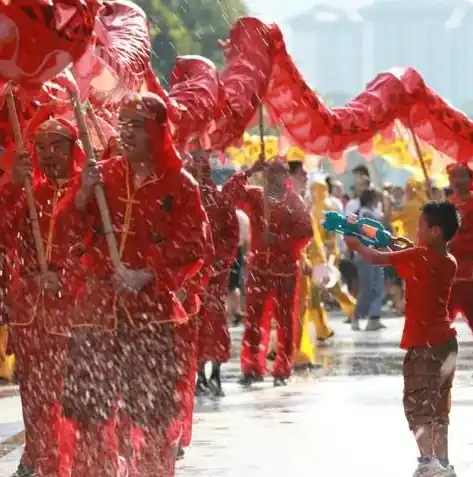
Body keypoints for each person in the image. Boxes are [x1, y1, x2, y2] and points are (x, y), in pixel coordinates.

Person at [59, 92, 208, 477]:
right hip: (95, 313)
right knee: (90, 415)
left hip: (151, 316)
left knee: (153, 416)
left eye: (137, 126)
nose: (127, 134)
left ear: (158, 132)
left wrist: (149, 274)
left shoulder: (181, 184)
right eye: (123, 125)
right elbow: (64, 234)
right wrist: (79, 197)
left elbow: (195, 246)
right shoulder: (101, 175)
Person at [344, 201, 460, 477]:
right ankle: (443, 463)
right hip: (446, 344)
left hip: (424, 345)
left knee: (417, 403)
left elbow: (375, 258)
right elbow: (412, 259)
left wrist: (354, 244)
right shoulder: (448, 261)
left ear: (435, 230)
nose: (417, 229)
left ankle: (427, 461)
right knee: (439, 406)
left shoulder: (419, 257)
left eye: (421, 225)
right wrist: (403, 247)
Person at [4, 118, 85, 477]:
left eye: (58, 146)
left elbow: (97, 249)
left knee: (64, 392)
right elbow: (4, 234)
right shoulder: (30, 192)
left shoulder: (88, 193)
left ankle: (59, 463)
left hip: (72, 310)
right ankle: (39, 455)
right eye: (41, 147)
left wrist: (65, 277)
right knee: (33, 391)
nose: (49, 155)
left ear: (73, 150)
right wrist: (13, 186)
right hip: (30, 311)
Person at [223, 156, 313, 386]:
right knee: (253, 321)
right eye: (270, 172)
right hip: (258, 270)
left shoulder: (295, 202)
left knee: (285, 323)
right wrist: (247, 171)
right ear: (264, 175)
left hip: (285, 272)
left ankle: (282, 367)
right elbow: (227, 194)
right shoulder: (255, 196)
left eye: (279, 172)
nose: (274, 177)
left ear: (285, 177)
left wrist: (280, 240)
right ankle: (252, 367)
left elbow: (305, 234)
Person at [186, 152, 239, 397]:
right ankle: (202, 375)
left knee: (208, 322)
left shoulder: (216, 199)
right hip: (196, 274)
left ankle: (211, 374)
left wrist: (219, 263)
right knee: (200, 322)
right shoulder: (186, 198)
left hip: (211, 275)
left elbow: (231, 236)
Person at [351, 188, 386, 331]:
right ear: (371, 199)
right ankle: (356, 317)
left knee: (378, 287)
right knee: (367, 289)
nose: (378, 200)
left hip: (376, 254)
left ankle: (374, 318)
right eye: (376, 198)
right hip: (366, 254)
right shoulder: (365, 212)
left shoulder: (370, 211)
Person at [447, 164, 473, 333]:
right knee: (438, 323)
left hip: (470, 276)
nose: (457, 180)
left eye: (462, 176)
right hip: (450, 276)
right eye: (453, 176)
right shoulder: (447, 206)